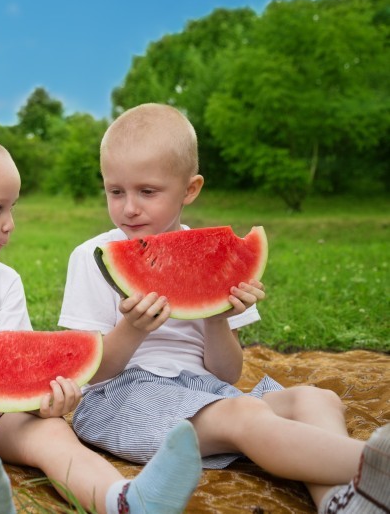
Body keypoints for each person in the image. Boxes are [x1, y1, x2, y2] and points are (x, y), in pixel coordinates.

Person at [59, 102, 390, 514]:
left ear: (190, 189)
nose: (129, 207)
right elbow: (89, 370)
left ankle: (338, 504)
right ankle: (373, 466)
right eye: (115, 191)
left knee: (316, 400)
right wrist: (133, 328)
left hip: (207, 390)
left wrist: (217, 317)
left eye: (147, 191)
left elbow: (227, 373)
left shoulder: (217, 259)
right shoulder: (92, 256)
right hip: (121, 398)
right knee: (246, 415)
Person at [0, 132, 203, 514]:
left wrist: (43, 402)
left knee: (54, 434)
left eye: (12, 209)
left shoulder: (6, 280)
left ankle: (127, 500)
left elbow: (18, 366)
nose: (10, 224)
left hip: (1, 411)